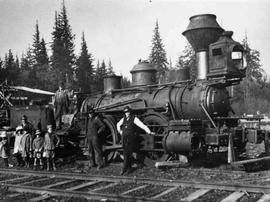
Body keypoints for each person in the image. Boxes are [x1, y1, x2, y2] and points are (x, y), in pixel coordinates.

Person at [117, 106, 155, 175]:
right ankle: (129, 168)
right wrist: (120, 132)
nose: (127, 113)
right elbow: (118, 125)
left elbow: (142, 125)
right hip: (124, 138)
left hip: (131, 138)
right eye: (125, 112)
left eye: (128, 112)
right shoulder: (123, 119)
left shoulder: (134, 118)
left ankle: (124, 169)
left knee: (128, 153)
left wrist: (149, 132)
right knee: (126, 153)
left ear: (130, 112)